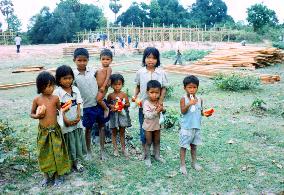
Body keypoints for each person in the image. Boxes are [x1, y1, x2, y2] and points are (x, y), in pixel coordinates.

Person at [30, 71, 70, 187]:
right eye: (47, 86)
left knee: (57, 153)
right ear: (40, 87)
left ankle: (58, 176)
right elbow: (31, 113)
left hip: (55, 131)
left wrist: (65, 109)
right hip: (44, 132)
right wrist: (36, 116)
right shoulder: (37, 100)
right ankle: (46, 176)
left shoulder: (55, 98)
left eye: (52, 85)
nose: (50, 88)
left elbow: (60, 110)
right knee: (44, 153)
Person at [73, 48, 109, 160]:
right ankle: (88, 151)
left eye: (85, 60)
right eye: (79, 60)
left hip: (98, 104)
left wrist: (105, 88)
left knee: (102, 126)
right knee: (88, 128)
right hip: (86, 107)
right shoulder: (73, 75)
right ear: (74, 60)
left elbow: (105, 76)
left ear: (88, 60)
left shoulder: (93, 71)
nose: (82, 63)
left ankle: (102, 151)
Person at [133, 47, 168, 160]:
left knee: (156, 129)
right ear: (144, 58)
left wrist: (161, 101)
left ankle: (156, 154)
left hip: (157, 106)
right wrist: (135, 96)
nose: (151, 60)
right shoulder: (140, 72)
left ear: (157, 60)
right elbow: (138, 86)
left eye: (154, 58)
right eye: (148, 57)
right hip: (143, 106)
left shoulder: (161, 72)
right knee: (144, 129)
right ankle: (145, 153)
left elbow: (164, 88)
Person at [54, 65, 87, 172]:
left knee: (77, 141)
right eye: (65, 78)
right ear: (59, 79)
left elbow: (79, 103)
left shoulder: (75, 89)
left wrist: (78, 116)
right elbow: (58, 108)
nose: (68, 81)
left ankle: (77, 162)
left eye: (70, 78)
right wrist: (65, 120)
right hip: (66, 123)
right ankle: (68, 162)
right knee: (68, 142)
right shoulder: (57, 92)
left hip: (76, 122)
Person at [179, 75, 212, 175]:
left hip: (196, 127)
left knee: (194, 146)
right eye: (189, 87)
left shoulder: (200, 99)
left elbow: (200, 111)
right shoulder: (183, 99)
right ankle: (182, 165)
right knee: (183, 146)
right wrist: (190, 104)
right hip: (186, 127)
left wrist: (206, 114)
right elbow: (183, 111)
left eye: (194, 87)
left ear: (197, 87)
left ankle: (194, 163)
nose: (192, 90)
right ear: (184, 88)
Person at [107, 74, 131, 158]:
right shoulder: (110, 95)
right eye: (115, 84)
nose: (117, 86)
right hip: (113, 115)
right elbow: (108, 104)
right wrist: (112, 106)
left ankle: (123, 149)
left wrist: (122, 105)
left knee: (122, 132)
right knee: (113, 132)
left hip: (122, 115)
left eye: (119, 84)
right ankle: (115, 149)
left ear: (122, 84)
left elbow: (128, 104)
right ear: (111, 85)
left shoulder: (124, 94)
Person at [143, 80, 165, 167]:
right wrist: (157, 111)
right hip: (148, 126)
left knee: (157, 141)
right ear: (147, 92)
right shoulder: (146, 103)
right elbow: (148, 115)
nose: (154, 95)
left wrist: (163, 109)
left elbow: (163, 112)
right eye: (152, 92)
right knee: (148, 142)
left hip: (157, 126)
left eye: (157, 92)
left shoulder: (159, 102)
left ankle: (157, 156)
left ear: (160, 93)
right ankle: (148, 158)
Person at [96, 49, 113, 118]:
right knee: (97, 100)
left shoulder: (108, 68)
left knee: (98, 99)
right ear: (100, 59)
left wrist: (103, 86)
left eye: (107, 59)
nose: (105, 61)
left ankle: (106, 108)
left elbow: (107, 78)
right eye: (103, 59)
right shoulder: (99, 69)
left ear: (111, 60)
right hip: (98, 88)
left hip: (103, 88)